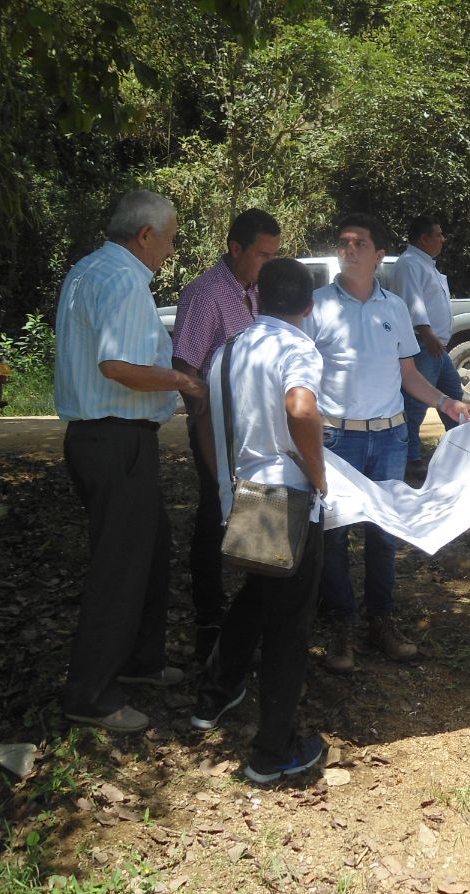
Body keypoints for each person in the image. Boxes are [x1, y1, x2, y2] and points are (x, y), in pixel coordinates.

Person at [55, 190, 206, 733]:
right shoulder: (120, 280)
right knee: (119, 567)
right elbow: (118, 365)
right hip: (114, 438)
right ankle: (90, 693)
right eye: (168, 239)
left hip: (109, 439)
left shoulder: (89, 270)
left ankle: (141, 662)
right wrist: (182, 380)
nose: (170, 249)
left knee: (151, 551)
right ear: (144, 235)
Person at [301, 213, 470, 672]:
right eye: (343, 242)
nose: (349, 248)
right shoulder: (315, 305)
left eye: (360, 242)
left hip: (390, 437)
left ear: (380, 256)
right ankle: (342, 627)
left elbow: (408, 375)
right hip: (337, 439)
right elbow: (298, 377)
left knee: (385, 534)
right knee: (335, 534)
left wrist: (448, 403)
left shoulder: (395, 308)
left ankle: (381, 622)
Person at [191, 258, 329, 784]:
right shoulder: (296, 347)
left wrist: (224, 478)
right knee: (290, 624)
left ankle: (214, 695)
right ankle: (272, 753)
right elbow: (300, 408)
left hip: (245, 495)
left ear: (258, 298)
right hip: (282, 498)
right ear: (309, 306)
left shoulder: (229, 350)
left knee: (256, 593)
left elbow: (203, 417)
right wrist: (317, 476)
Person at [171, 209, 282, 663]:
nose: (268, 263)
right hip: (219, 426)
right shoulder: (207, 294)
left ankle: (252, 616)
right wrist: (207, 421)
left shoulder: (253, 290)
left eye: (274, 255)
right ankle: (210, 622)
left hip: (253, 425)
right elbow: (184, 369)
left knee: (258, 507)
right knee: (215, 513)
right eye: (262, 254)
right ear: (235, 248)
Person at [391, 214, 464, 481]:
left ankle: (461, 450)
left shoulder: (426, 264)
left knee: (454, 394)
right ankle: (411, 459)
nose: (442, 239)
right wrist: (427, 333)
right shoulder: (409, 263)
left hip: (435, 345)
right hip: (422, 343)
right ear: (423, 238)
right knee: (415, 404)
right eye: (438, 234)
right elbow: (412, 302)